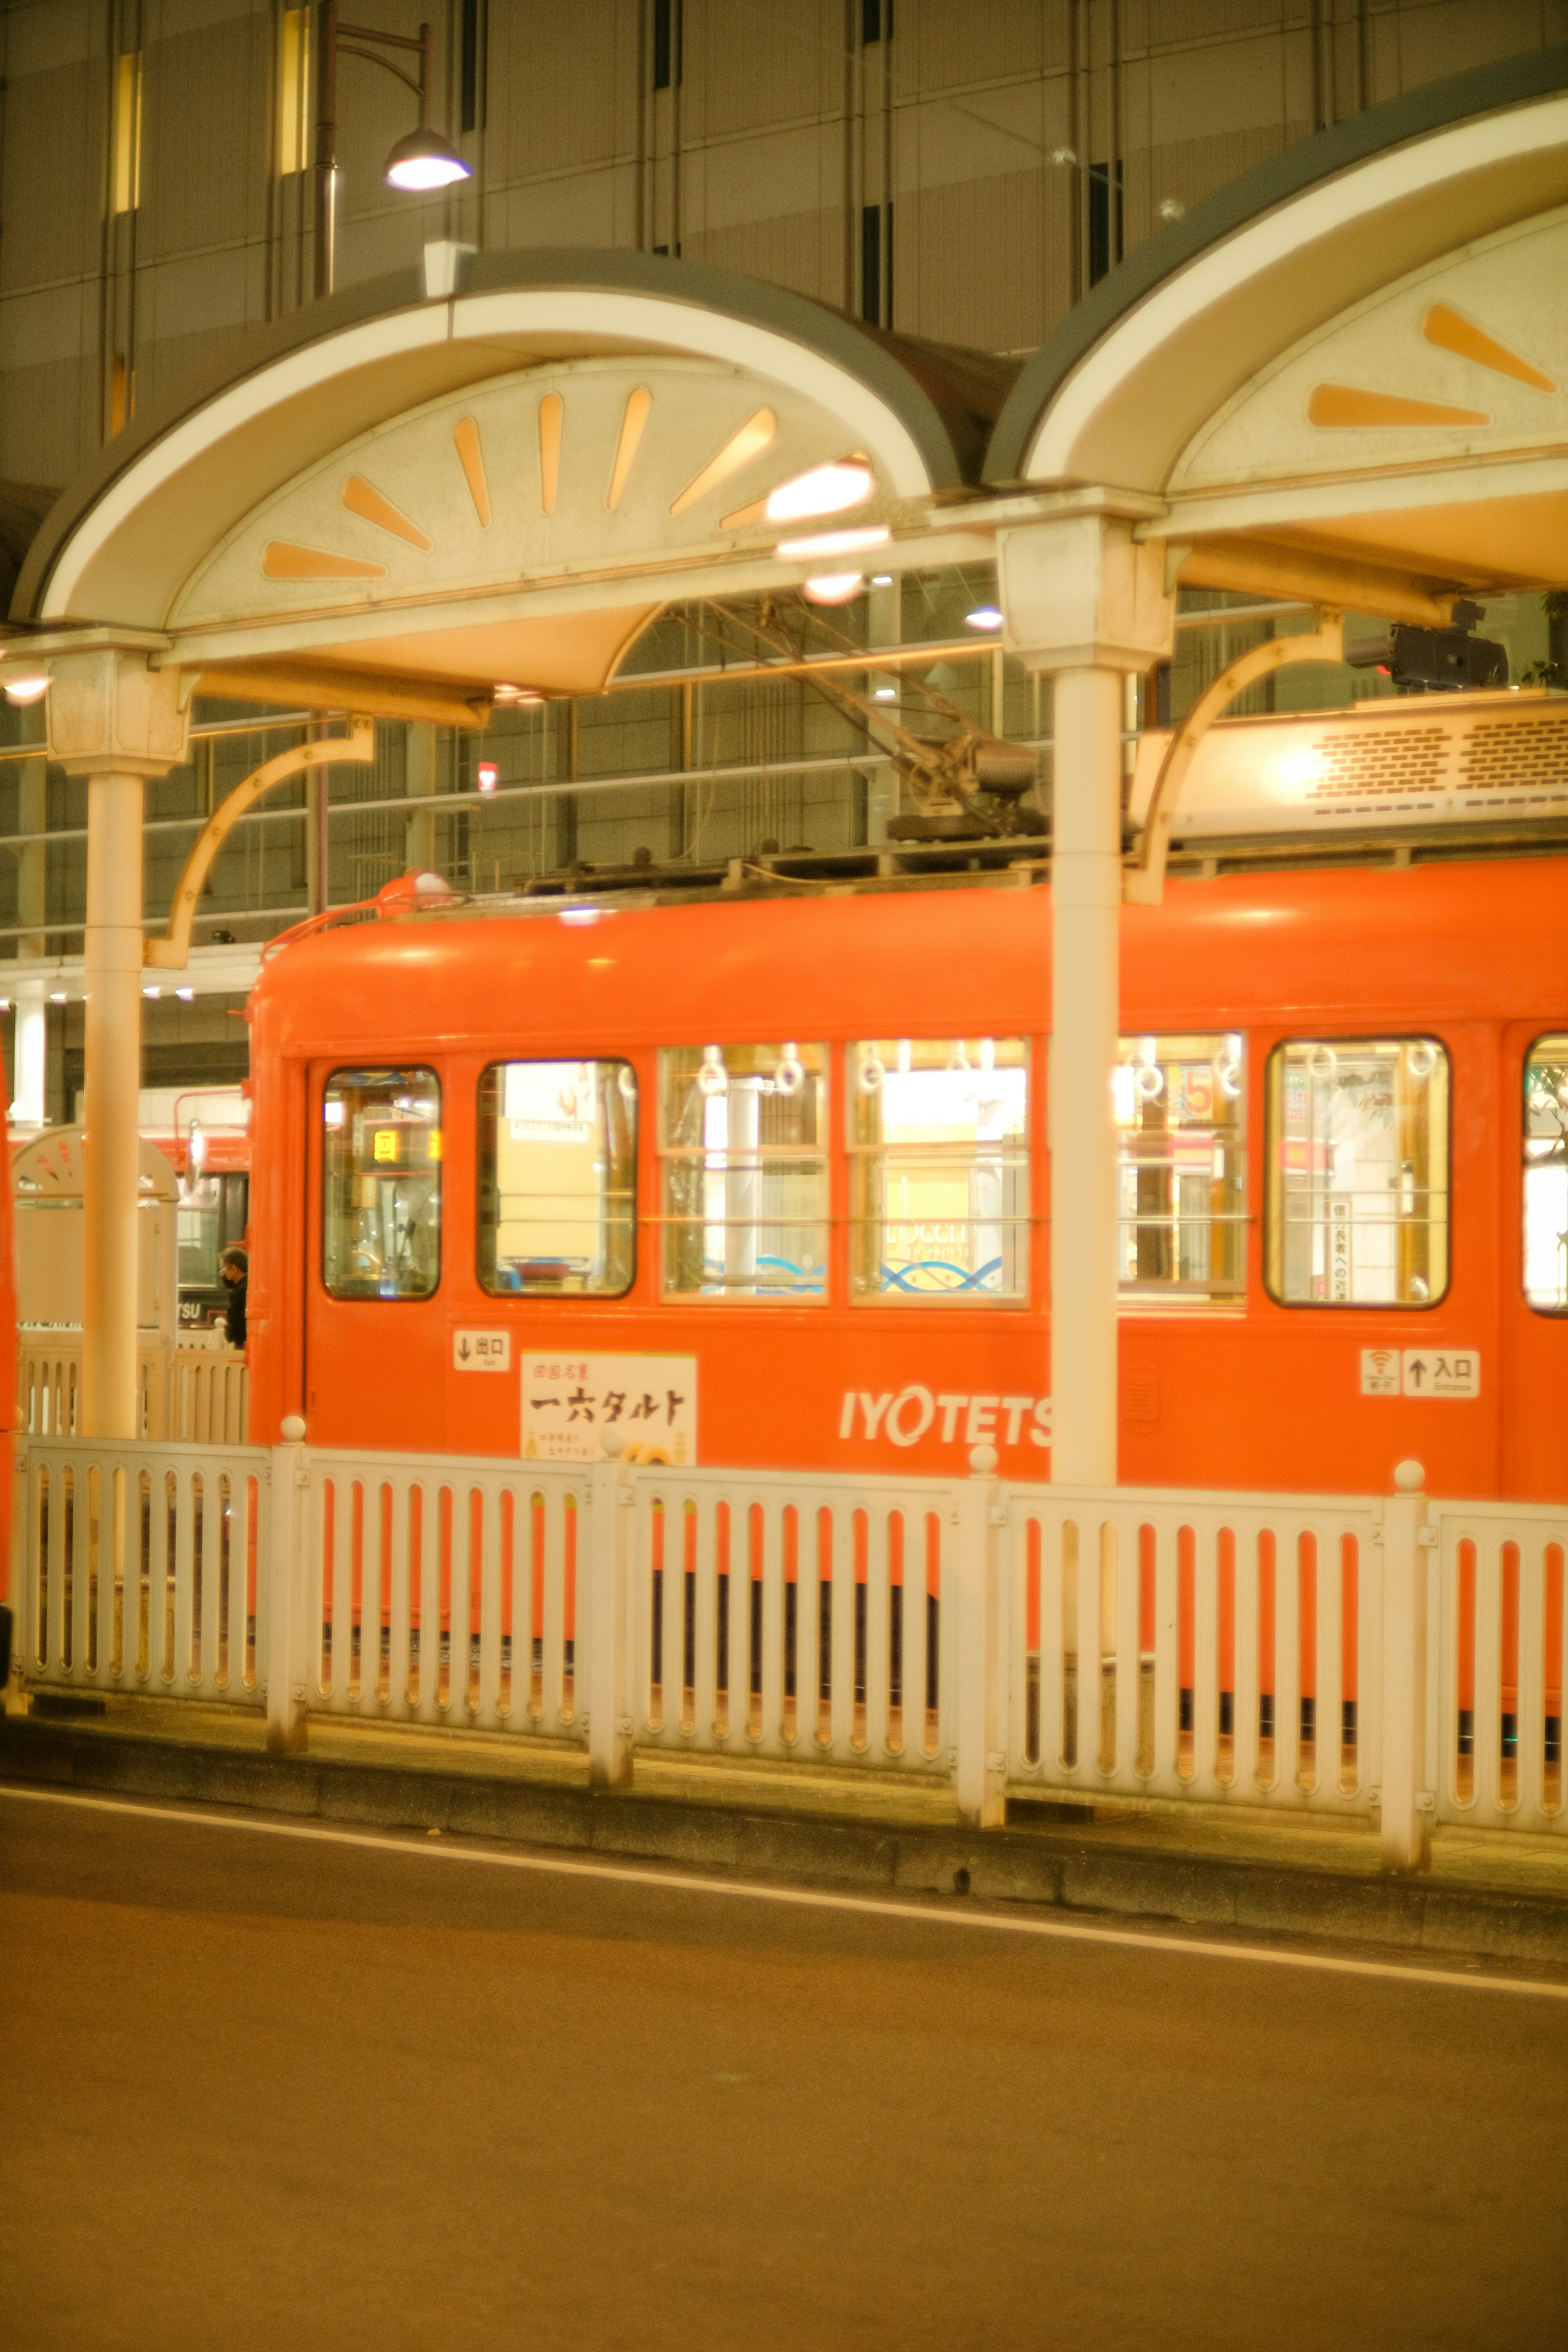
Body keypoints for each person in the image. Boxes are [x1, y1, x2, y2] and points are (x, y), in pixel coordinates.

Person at [219, 1245, 248, 1349]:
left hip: (242, 1344)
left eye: (224, 1271)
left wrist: (228, 1331)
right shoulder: (249, 1285)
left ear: (234, 1269)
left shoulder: (240, 1292)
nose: (224, 1275)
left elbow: (236, 1323)